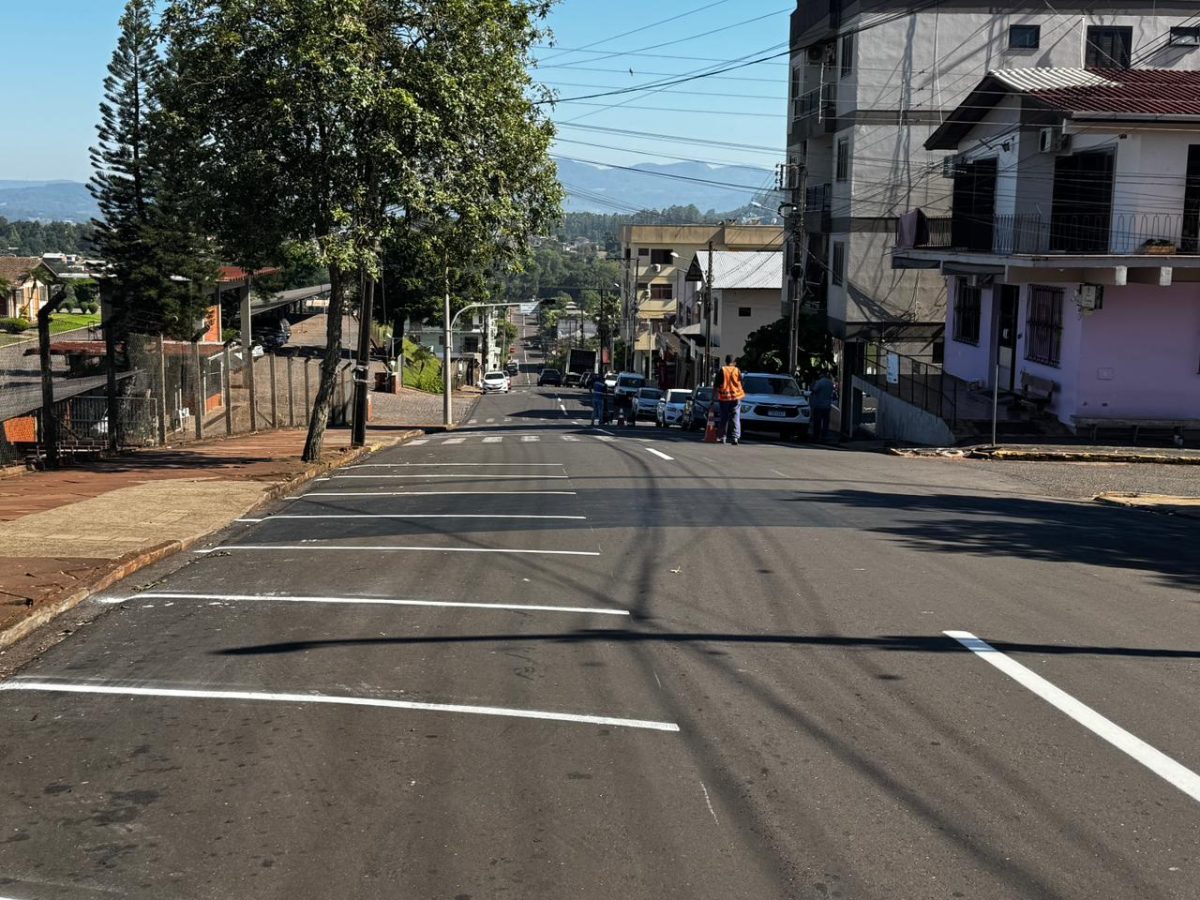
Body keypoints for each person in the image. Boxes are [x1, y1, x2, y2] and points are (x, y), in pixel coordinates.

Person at [714, 354, 745, 445]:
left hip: (724, 398)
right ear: (734, 362)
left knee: (724, 417)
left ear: (726, 361)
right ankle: (735, 438)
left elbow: (716, 385)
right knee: (735, 417)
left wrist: (714, 397)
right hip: (736, 398)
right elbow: (741, 383)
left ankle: (722, 437)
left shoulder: (722, 370)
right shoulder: (737, 370)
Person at [809, 370, 835, 442]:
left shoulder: (820, 382)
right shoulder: (830, 383)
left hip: (819, 405)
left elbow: (814, 390)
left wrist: (812, 385)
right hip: (827, 405)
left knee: (817, 422)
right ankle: (824, 436)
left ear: (822, 374)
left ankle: (816, 436)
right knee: (825, 422)